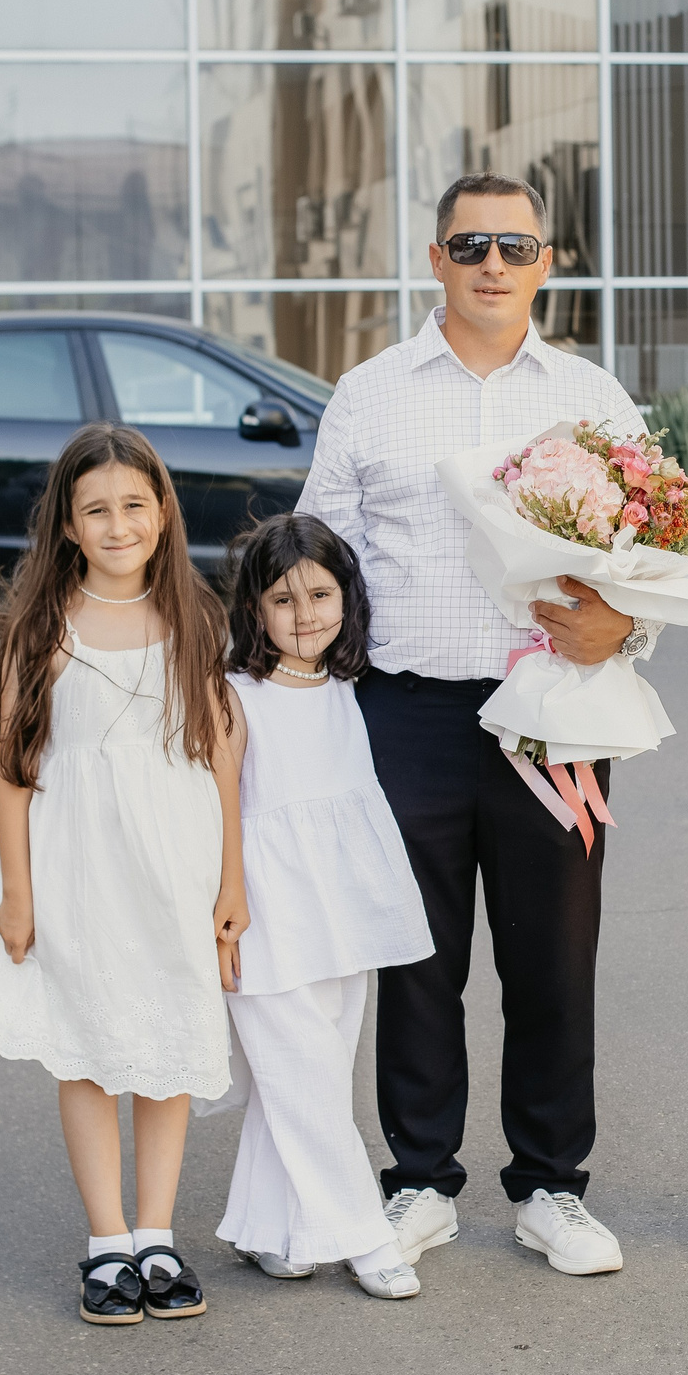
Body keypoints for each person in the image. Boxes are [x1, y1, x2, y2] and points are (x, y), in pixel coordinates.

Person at [298, 171, 649, 1278]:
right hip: (406, 714)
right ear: (436, 259)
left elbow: (648, 553)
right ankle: (418, 1182)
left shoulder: (594, 398)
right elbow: (319, 560)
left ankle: (552, 1186)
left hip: (558, 722)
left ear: (547, 261)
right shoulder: (370, 392)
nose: (492, 262)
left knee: (554, 959)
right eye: (469, 244)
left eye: (514, 243)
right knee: (417, 960)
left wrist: (619, 624)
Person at [0, 422, 246, 1324]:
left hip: (175, 859)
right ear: (69, 526)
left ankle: (157, 1234)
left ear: (162, 510)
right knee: (86, 1047)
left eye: (133, 503)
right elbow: (14, 767)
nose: (118, 523)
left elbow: (221, 755)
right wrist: (17, 890)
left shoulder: (195, 618)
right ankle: (107, 1240)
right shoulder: (46, 626)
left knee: (166, 1041)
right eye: (97, 510)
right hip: (76, 860)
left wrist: (232, 878)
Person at [215, 512, 436, 1301]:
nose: (305, 613)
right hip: (266, 907)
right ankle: (365, 1235)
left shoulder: (348, 685)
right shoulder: (234, 694)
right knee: (300, 1067)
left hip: (342, 906)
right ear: (253, 609)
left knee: (312, 1071)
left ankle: (271, 1227)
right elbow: (221, 807)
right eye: (283, 599)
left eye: (320, 592)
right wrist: (226, 898)